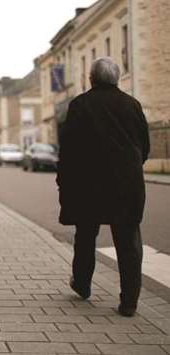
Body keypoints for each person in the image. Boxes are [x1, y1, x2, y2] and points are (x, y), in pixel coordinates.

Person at [57, 57, 150, 317]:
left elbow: (69, 150)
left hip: (89, 186)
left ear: (91, 79)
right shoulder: (132, 105)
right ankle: (129, 301)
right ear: (117, 78)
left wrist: (65, 181)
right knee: (128, 242)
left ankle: (83, 284)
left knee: (86, 236)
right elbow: (144, 147)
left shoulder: (80, 105)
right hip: (126, 185)